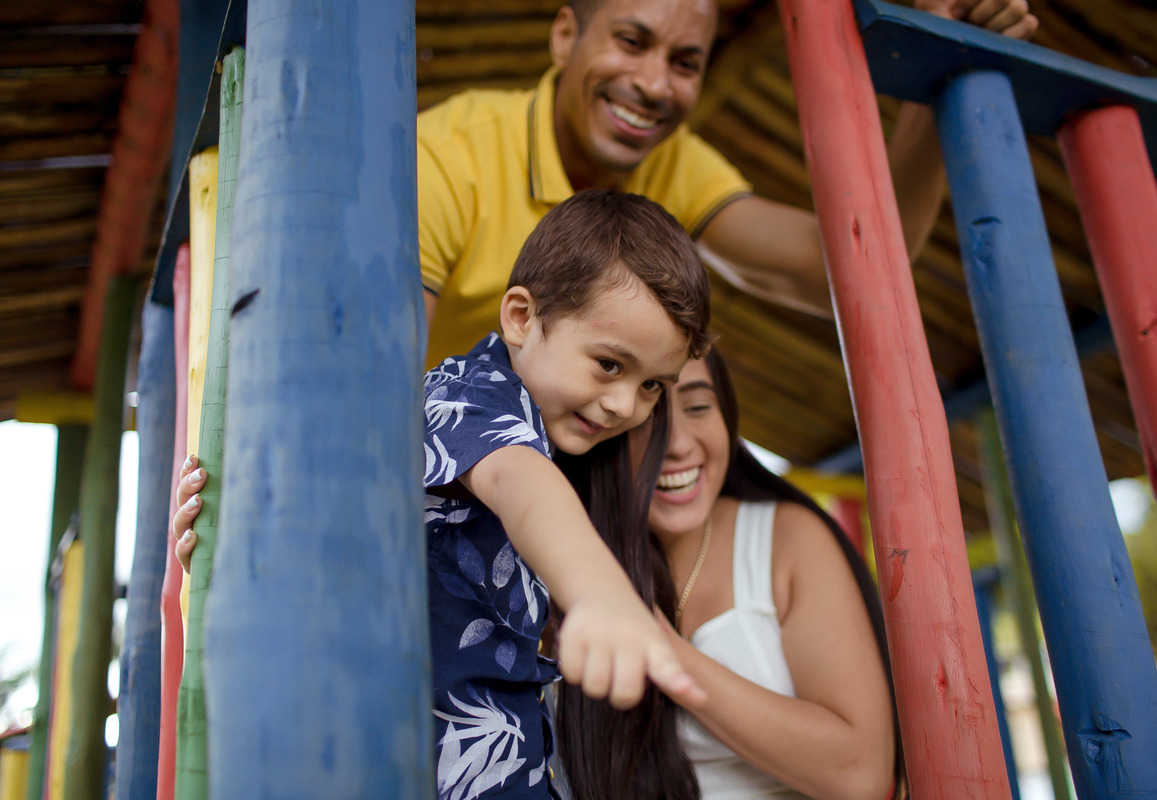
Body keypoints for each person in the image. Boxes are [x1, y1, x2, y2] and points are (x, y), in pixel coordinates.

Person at [175, 189, 713, 800]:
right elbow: (520, 484)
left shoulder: (551, 438)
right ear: (521, 318)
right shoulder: (472, 396)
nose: (624, 404)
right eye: (610, 365)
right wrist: (598, 592)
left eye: (652, 386)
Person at [418, 0, 1039, 366]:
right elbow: (376, 376)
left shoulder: (673, 164)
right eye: (631, 42)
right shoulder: (445, 157)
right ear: (564, 37)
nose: (654, 84)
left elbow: (849, 270)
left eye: (685, 63)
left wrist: (938, 66)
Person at [557, 348, 900, 800]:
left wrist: (664, 649)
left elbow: (861, 774)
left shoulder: (785, 538)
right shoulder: (552, 558)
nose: (678, 444)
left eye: (699, 407)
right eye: (647, 415)